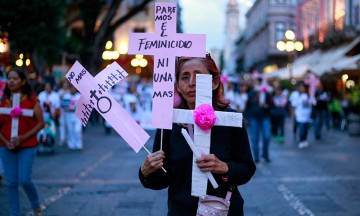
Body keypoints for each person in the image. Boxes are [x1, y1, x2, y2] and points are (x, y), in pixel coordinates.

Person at [138, 54, 256, 216]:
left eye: (199, 76)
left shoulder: (231, 120)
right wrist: (146, 172)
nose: (192, 83)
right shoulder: (169, 122)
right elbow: (161, 180)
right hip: (181, 210)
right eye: (185, 78)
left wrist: (224, 167)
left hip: (223, 209)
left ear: (214, 82)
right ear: (178, 86)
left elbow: (247, 169)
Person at [0, 68, 45, 216]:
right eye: (9, 78)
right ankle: (14, 214)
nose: (11, 81)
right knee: (11, 183)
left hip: (27, 145)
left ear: (23, 81)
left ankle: (36, 205)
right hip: (6, 145)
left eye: (15, 78)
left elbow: (40, 123)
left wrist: (22, 138)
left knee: (25, 179)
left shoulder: (32, 99)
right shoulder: (3, 100)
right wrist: (6, 141)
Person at [246, 77, 273, 163]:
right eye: (255, 83)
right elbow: (247, 107)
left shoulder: (267, 94)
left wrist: (266, 106)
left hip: (265, 118)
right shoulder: (251, 94)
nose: (256, 85)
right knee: (254, 139)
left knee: (266, 137)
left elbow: (272, 106)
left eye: (257, 83)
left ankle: (265, 154)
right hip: (254, 119)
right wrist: (246, 118)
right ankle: (256, 157)